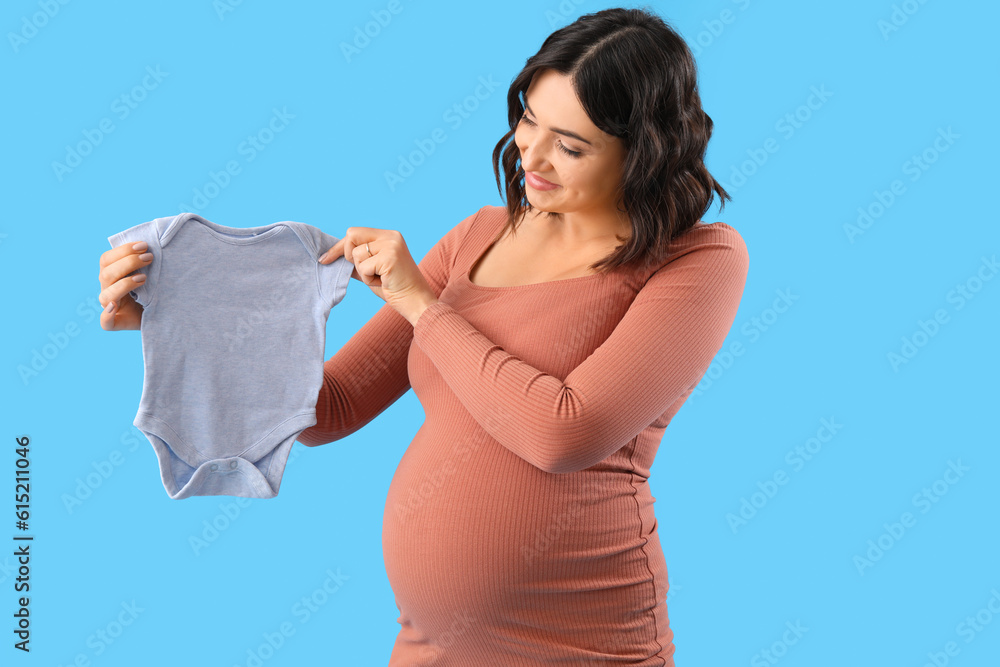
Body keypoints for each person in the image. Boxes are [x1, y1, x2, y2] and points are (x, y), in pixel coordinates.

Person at [98, 7, 748, 665]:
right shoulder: (478, 234)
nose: (533, 155)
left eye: (571, 146)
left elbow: (564, 433)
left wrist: (421, 305)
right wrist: (177, 322)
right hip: (428, 647)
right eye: (528, 119)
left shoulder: (698, 259)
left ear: (646, 151)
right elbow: (328, 407)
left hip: (581, 646)